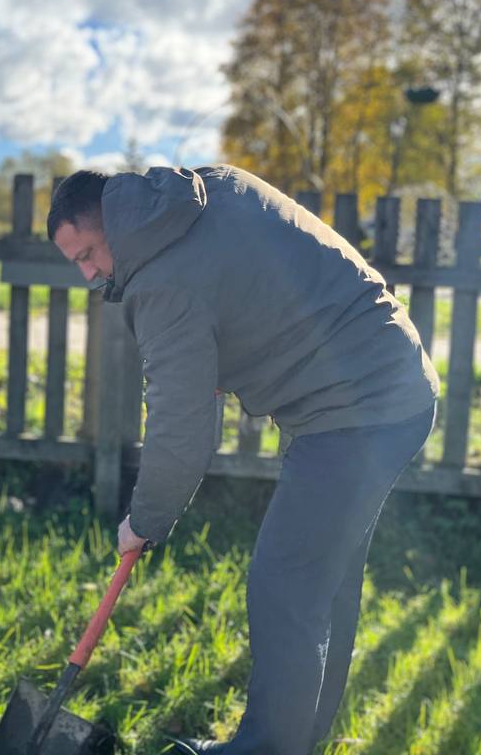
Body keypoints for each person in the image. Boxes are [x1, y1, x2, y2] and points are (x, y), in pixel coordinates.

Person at [47, 165, 438, 755]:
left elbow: (181, 432)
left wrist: (144, 521)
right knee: (322, 584)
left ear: (112, 221)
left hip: (356, 410)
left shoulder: (161, 283)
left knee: (285, 582)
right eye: (74, 262)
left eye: (88, 252)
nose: (88, 273)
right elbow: (258, 280)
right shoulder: (208, 187)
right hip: (392, 378)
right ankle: (292, 743)